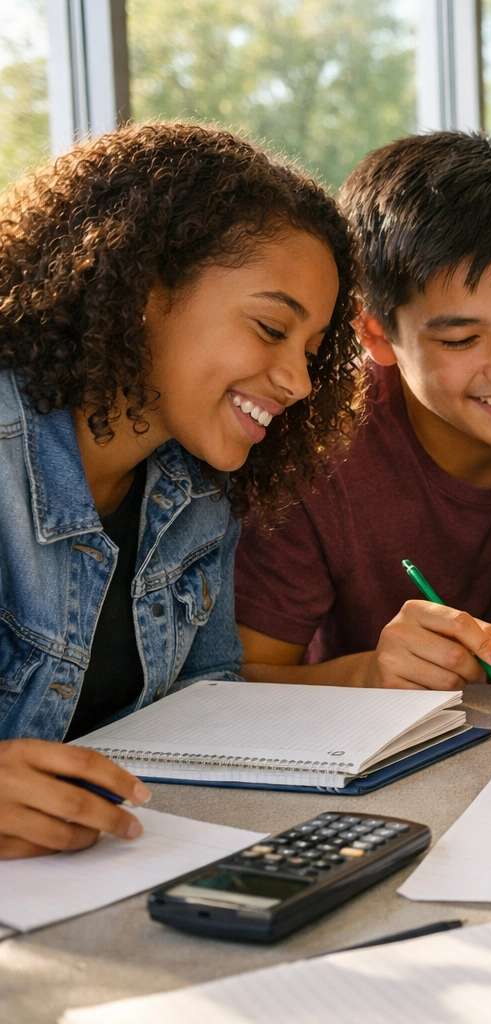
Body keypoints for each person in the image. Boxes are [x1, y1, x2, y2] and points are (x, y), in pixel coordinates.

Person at [0, 123, 360, 857]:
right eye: (270, 328)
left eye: (313, 352)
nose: (297, 381)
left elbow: (205, 708)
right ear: (143, 287)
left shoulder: (199, 489)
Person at [236, 132, 491, 690]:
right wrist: (368, 674)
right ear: (375, 334)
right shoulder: (317, 449)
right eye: (462, 339)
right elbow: (237, 682)